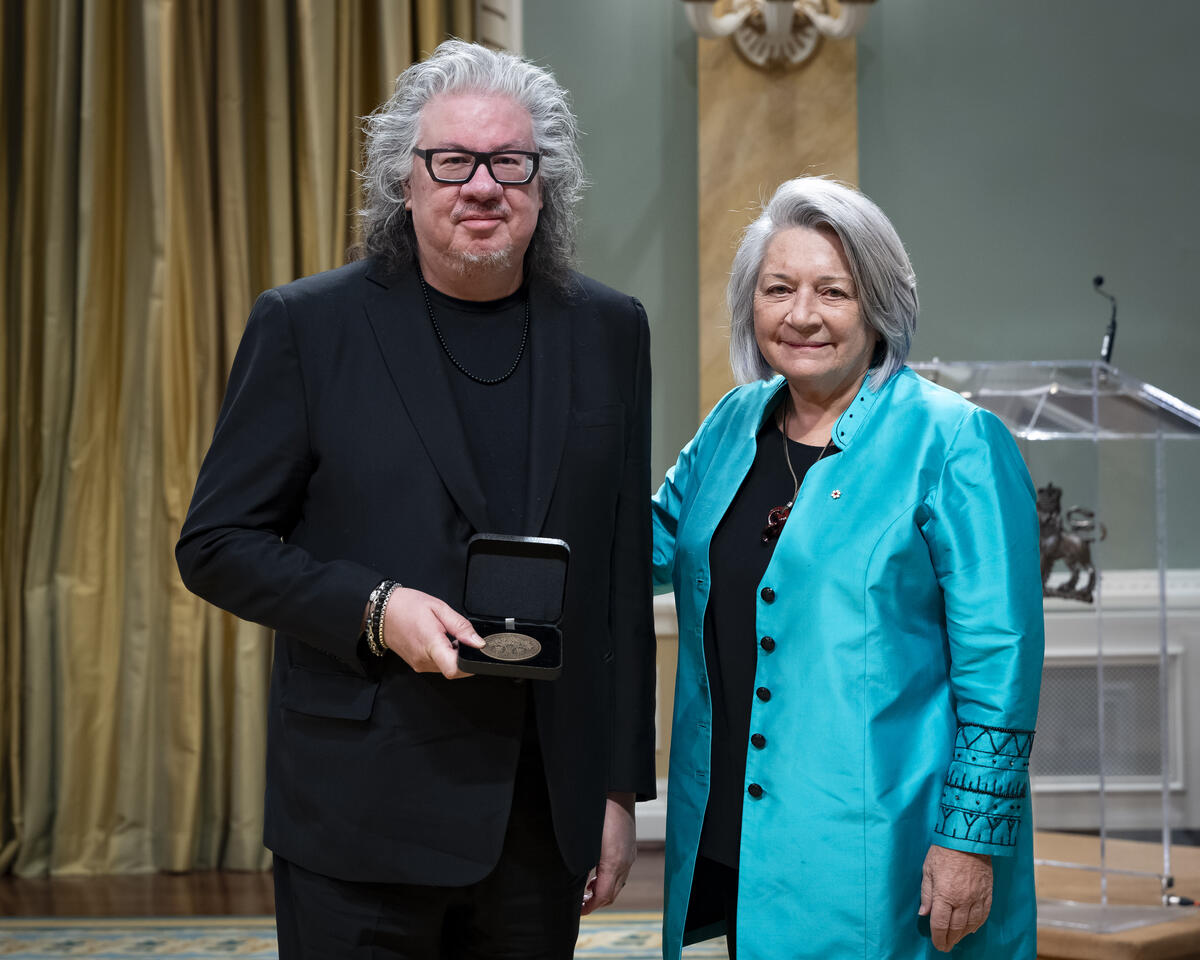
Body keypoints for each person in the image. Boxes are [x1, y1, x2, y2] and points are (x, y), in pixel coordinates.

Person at [176, 39, 655, 959]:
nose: (483, 186)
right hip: (361, 813)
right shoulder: (306, 326)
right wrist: (374, 607)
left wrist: (618, 790)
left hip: (539, 810)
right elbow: (218, 542)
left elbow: (619, 580)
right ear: (406, 180)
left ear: (543, 182)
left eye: (511, 162)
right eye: (453, 162)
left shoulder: (609, 331)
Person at [652, 177, 1043, 959]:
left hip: (885, 845)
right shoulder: (734, 423)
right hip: (735, 826)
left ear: (880, 306)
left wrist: (969, 841)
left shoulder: (955, 440)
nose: (802, 315)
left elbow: (1001, 665)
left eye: (834, 291)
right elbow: (646, 553)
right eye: (779, 289)